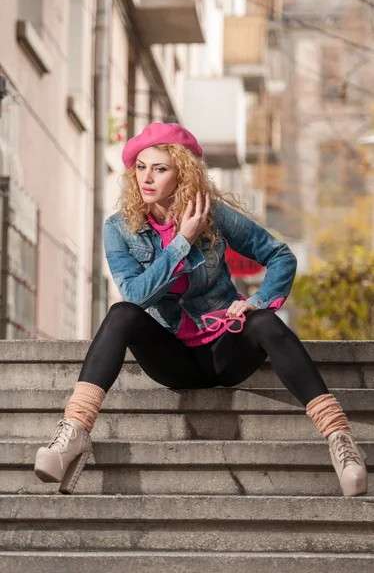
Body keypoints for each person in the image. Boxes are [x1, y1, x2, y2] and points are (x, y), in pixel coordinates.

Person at [34, 122, 367, 497]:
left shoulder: (213, 215)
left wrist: (255, 301)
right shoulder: (120, 228)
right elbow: (135, 293)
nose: (147, 177)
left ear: (182, 172)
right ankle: (73, 432)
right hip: (173, 358)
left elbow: (279, 255)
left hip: (225, 351)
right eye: (141, 167)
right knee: (120, 314)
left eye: (160, 169)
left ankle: (340, 440)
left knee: (264, 320)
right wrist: (181, 242)